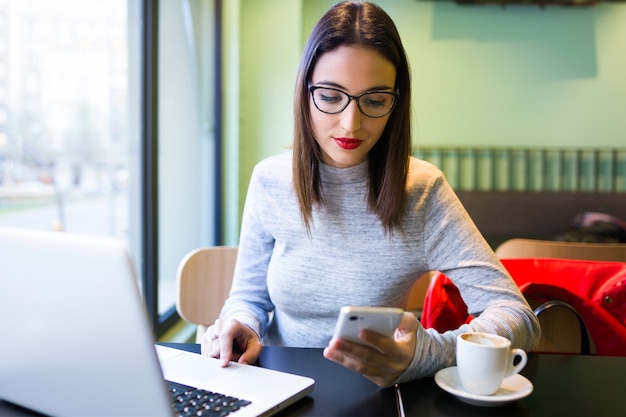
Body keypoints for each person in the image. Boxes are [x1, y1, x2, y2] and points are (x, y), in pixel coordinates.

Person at [201, 0, 540, 387]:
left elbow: (518, 317)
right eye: (330, 97)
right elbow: (249, 299)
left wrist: (427, 353)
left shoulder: (422, 191)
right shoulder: (269, 181)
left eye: (375, 101)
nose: (351, 123)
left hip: (374, 393)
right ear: (304, 92)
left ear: (396, 103)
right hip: (276, 385)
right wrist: (241, 324)